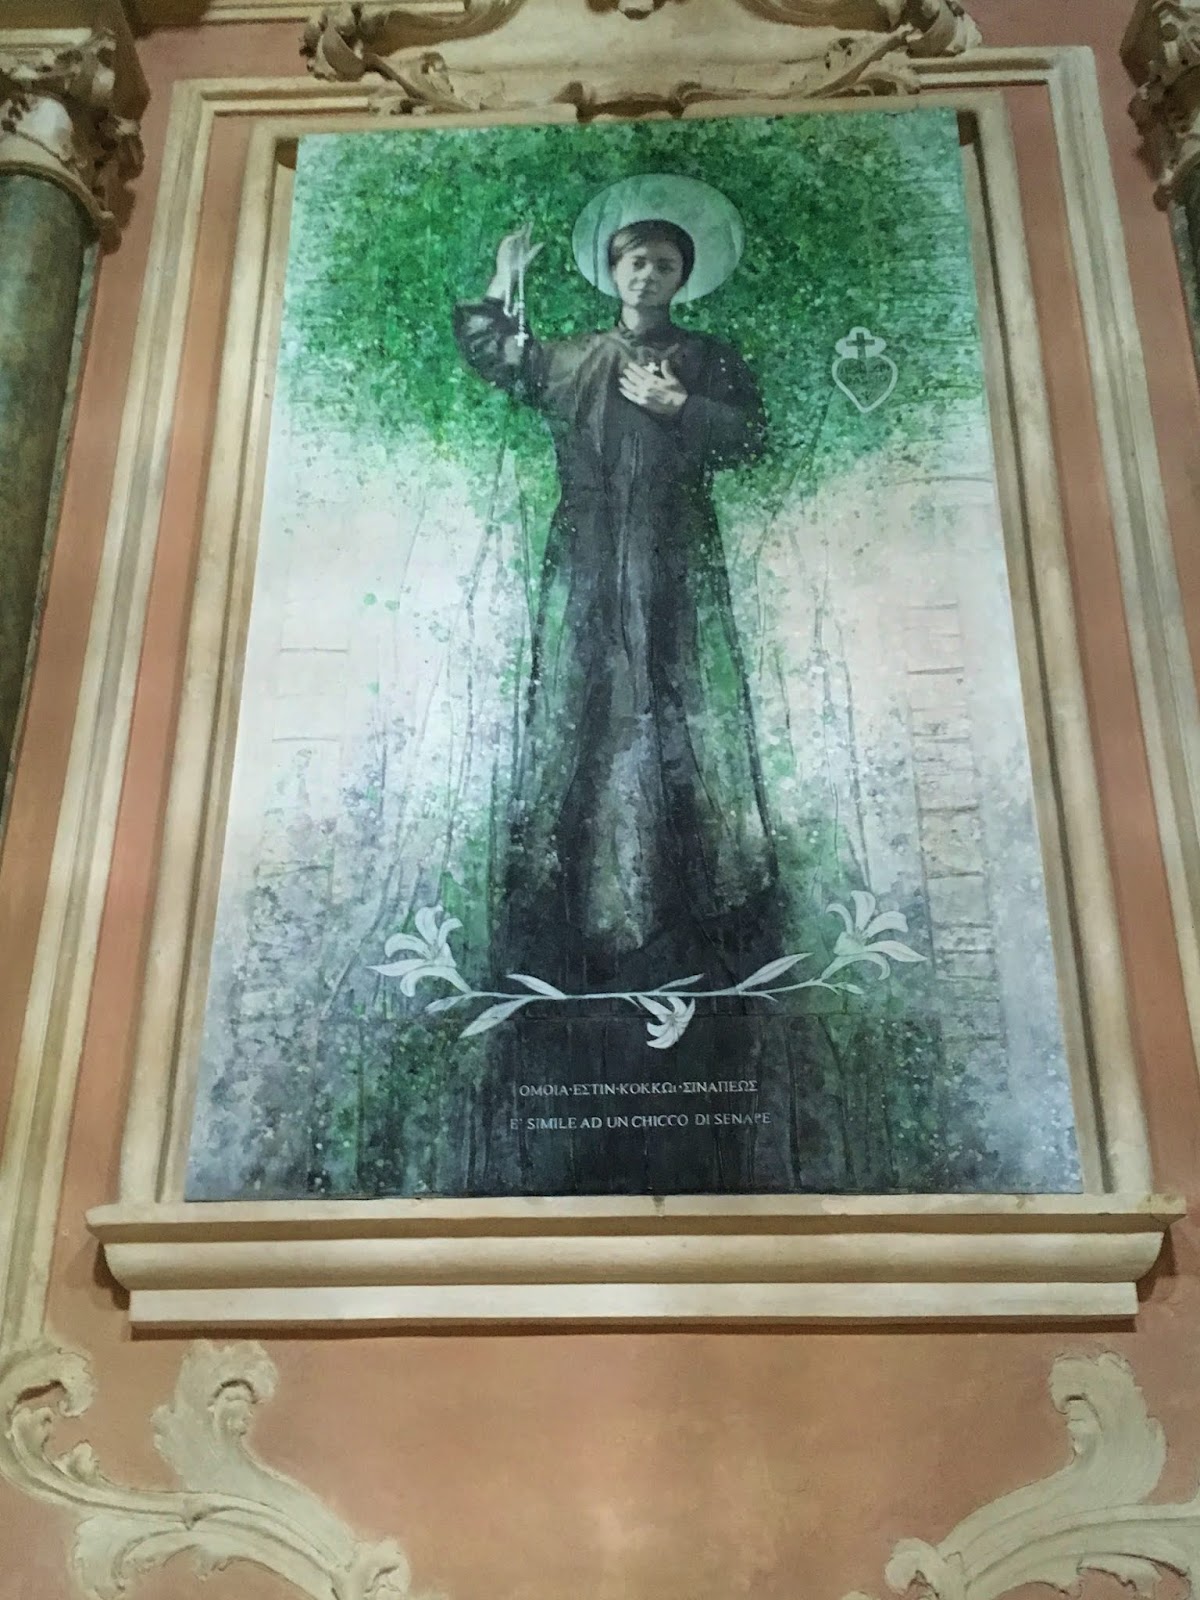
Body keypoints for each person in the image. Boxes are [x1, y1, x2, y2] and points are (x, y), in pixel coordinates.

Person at [453, 200, 784, 1193]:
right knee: (582, 712)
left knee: (678, 714)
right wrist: (505, 277)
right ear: (614, 272)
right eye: (634, 261)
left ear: (682, 279)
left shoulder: (707, 358)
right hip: (591, 561)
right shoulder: (580, 358)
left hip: (675, 565)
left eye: (663, 264)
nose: (648, 276)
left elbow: (754, 439)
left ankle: (688, 894)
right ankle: (572, 898)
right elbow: (503, 359)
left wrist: (682, 409)